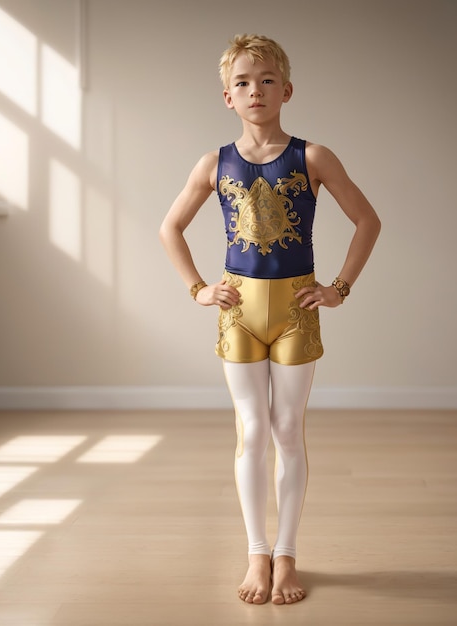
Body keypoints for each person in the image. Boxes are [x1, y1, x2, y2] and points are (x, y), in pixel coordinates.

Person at [159, 34, 381, 605]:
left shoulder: (313, 157)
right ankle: (256, 552)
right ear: (226, 97)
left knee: (287, 431)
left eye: (265, 80)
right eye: (241, 82)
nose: (254, 90)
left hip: (293, 312)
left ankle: (286, 555)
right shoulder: (215, 163)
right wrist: (198, 289)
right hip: (238, 312)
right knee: (252, 431)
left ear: (286, 89)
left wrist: (338, 288)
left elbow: (367, 221)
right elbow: (170, 228)